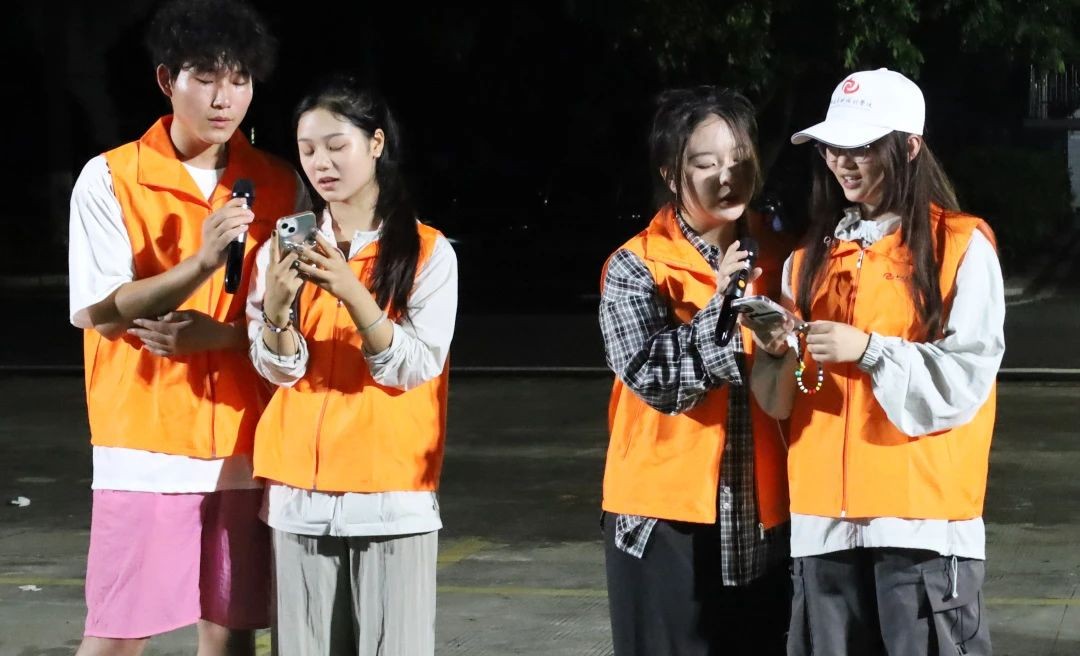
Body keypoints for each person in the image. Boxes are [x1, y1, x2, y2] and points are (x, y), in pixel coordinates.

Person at [67, 0, 304, 654]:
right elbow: (98, 312)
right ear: (166, 80)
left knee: (231, 637)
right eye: (205, 78)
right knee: (117, 638)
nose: (225, 98)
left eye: (240, 79)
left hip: (246, 445)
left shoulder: (279, 184)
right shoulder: (111, 178)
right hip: (144, 446)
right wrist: (199, 262)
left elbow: (291, 319)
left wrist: (223, 337)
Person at [749, 68, 1004, 655]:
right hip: (821, 529)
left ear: (909, 147)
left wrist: (868, 350)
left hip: (922, 525)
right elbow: (777, 402)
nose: (842, 162)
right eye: (832, 147)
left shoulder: (961, 245)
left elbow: (966, 376)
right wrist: (777, 351)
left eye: (861, 146)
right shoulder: (803, 262)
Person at [245, 75, 458, 655]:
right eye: (308, 149)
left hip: (390, 497)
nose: (321, 163)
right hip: (299, 498)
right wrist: (277, 312)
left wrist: (353, 292)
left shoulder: (428, 252)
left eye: (337, 145)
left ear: (376, 144)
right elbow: (278, 371)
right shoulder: (280, 250)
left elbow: (415, 366)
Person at [598, 86, 793, 656]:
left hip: (765, 516)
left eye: (738, 158)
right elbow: (656, 381)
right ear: (670, 172)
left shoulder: (784, 257)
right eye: (705, 164)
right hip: (664, 519)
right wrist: (723, 301)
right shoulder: (636, 266)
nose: (726, 176)